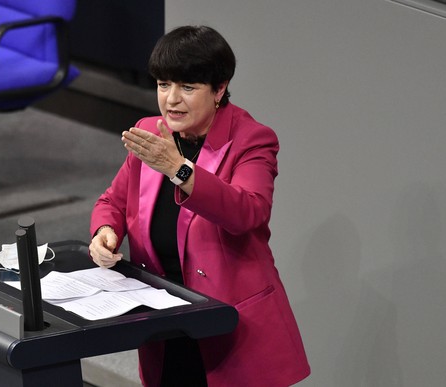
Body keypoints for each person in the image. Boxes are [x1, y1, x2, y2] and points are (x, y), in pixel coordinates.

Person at [89, 25, 310, 386]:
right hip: (163, 313)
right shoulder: (151, 131)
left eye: (187, 87)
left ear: (219, 89)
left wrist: (178, 168)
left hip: (227, 324)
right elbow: (112, 200)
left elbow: (248, 212)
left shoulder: (251, 139)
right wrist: (106, 232)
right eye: (164, 85)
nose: (171, 99)